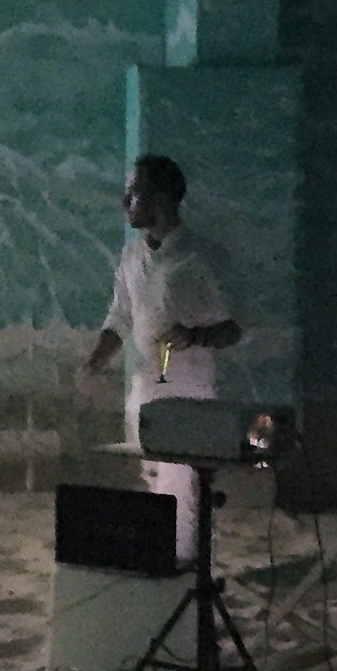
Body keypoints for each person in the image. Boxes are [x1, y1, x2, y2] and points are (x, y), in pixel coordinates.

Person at [80, 153, 241, 561]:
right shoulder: (132, 257)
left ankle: (185, 563)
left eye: (134, 192)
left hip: (189, 389)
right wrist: (95, 362)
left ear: (162, 198)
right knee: (150, 479)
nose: (125, 202)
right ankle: (158, 559)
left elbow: (234, 328)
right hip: (146, 389)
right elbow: (119, 317)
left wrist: (195, 335)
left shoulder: (200, 259)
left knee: (183, 485)